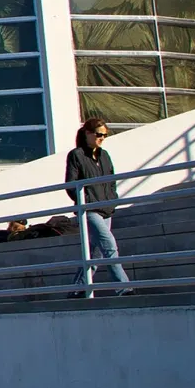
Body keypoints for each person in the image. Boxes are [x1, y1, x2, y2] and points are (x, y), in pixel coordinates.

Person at [67, 118, 133, 297]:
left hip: (106, 208)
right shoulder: (76, 155)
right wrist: (86, 201)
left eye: (105, 135)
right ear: (87, 133)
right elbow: (70, 184)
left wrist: (113, 199)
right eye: (98, 134)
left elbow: (111, 180)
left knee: (96, 253)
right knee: (109, 245)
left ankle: (77, 289)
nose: (102, 138)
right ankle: (123, 288)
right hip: (90, 210)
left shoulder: (104, 155)